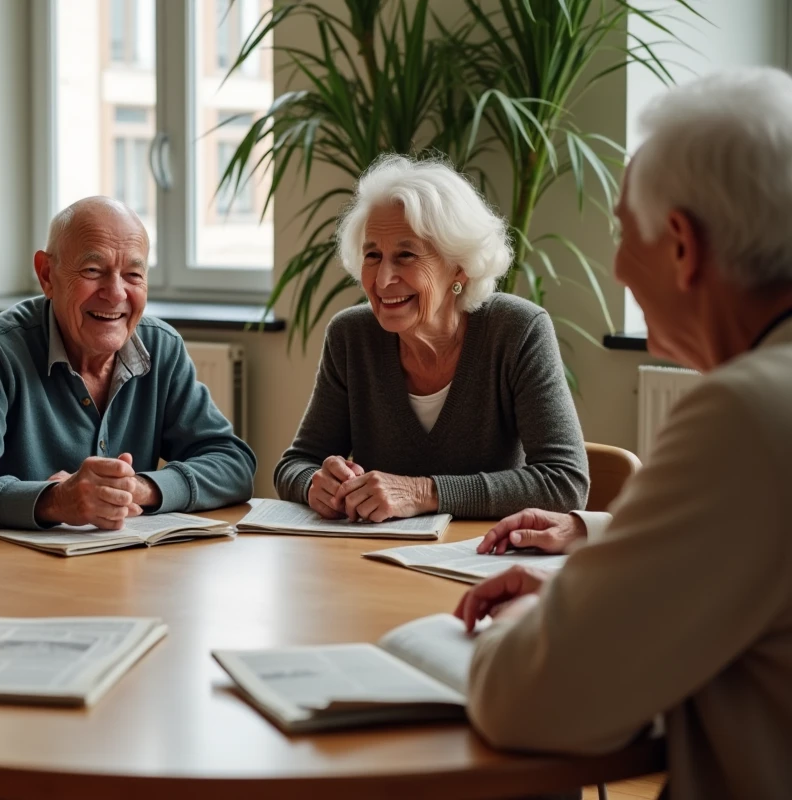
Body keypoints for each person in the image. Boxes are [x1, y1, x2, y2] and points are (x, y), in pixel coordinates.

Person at [456, 68, 792, 799]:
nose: (615, 264)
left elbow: (528, 700)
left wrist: (543, 612)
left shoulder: (747, 412)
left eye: (620, 228)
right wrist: (600, 540)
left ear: (681, 245)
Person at [275, 155, 589, 522]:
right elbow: (294, 464)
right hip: (374, 561)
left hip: (482, 559)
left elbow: (564, 482)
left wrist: (423, 492)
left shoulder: (517, 330)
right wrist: (314, 483)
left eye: (406, 255)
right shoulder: (351, 336)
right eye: (372, 255)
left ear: (459, 266)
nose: (382, 279)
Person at [0, 196, 256, 531]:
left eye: (133, 275)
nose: (116, 293)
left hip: (128, 574)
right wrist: (54, 500)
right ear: (47, 275)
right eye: (93, 270)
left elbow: (232, 464)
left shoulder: (161, 348)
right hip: (19, 577)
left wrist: (138, 489)